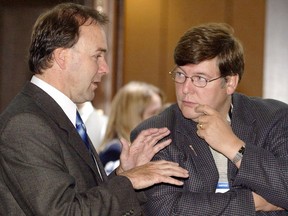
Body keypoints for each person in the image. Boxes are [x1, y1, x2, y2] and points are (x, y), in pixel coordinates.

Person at [0, 3, 189, 216]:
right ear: (62, 57)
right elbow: (64, 212)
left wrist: (123, 174)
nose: (105, 68)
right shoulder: (26, 125)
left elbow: (83, 196)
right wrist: (129, 181)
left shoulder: (56, 114)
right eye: (97, 56)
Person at [131, 23, 288, 215]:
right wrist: (254, 202)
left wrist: (233, 147)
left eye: (200, 78)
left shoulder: (273, 118)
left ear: (230, 82)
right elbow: (167, 209)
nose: (186, 89)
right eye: (180, 74)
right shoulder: (156, 133)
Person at [98, 81, 165, 174]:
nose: (160, 118)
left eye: (161, 112)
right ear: (131, 116)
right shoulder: (115, 153)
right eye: (153, 113)